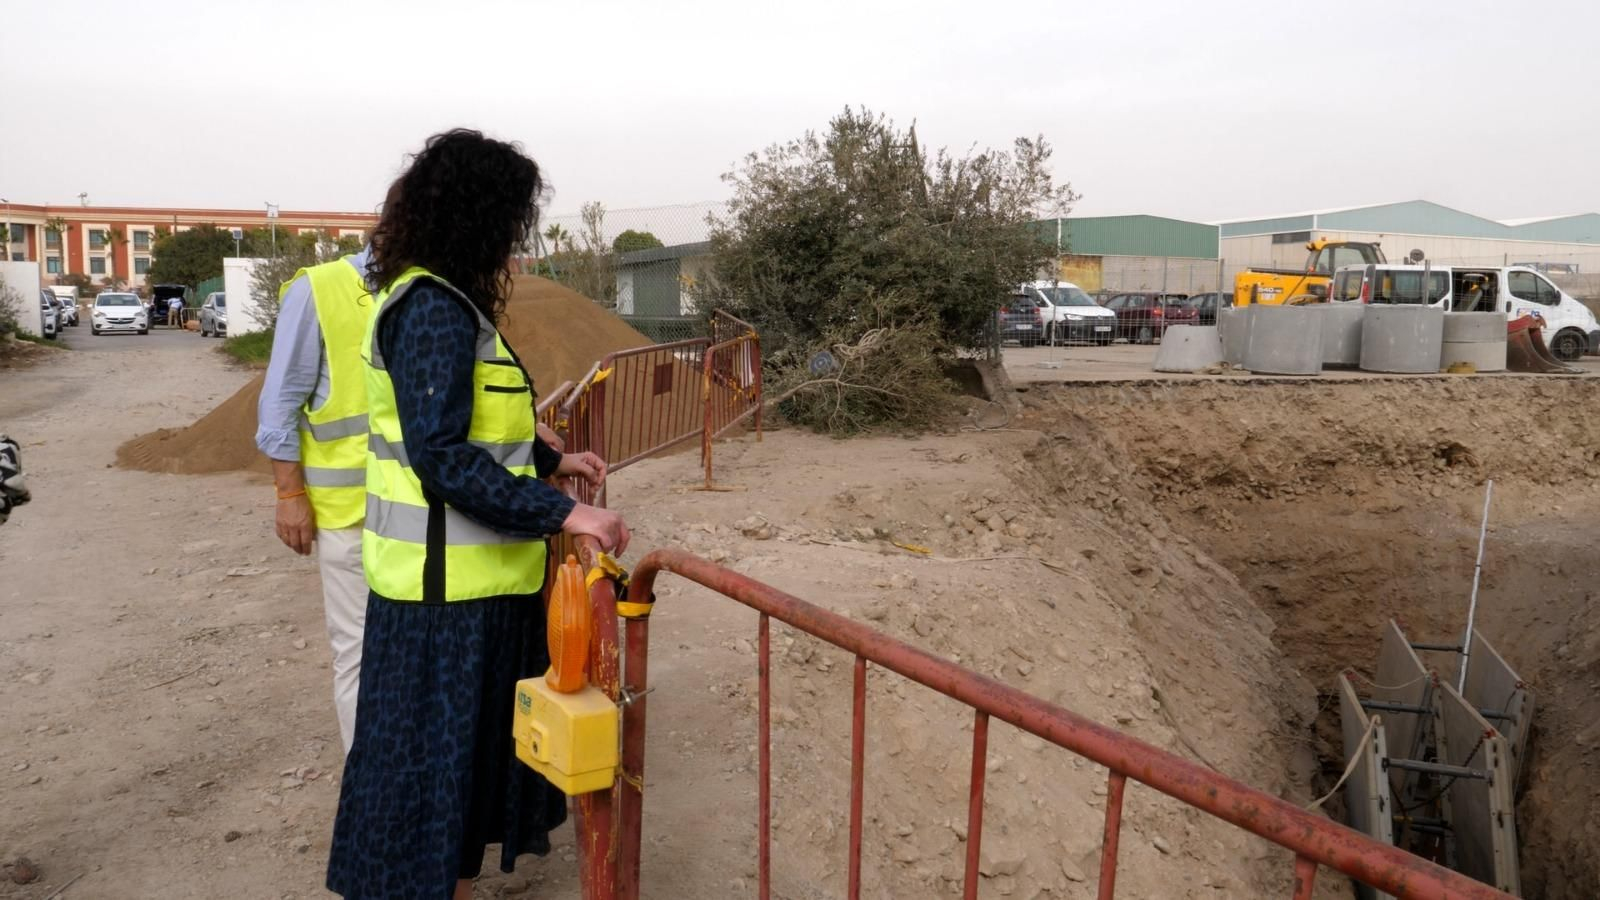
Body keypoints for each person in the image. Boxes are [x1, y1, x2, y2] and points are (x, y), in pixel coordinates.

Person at [327, 129, 628, 900]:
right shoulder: (431, 309)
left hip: (472, 595)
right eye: (512, 218)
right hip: (442, 608)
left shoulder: (448, 304)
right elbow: (442, 456)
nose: (515, 238)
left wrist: (546, 458)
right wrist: (565, 517)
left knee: (451, 791)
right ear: (477, 215)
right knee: (427, 792)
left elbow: (472, 425)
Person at [256, 246, 378, 754]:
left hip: (421, 520)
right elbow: (279, 404)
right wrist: (289, 493)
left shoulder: (421, 287)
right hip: (349, 519)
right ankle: (367, 790)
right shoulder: (320, 289)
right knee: (358, 654)